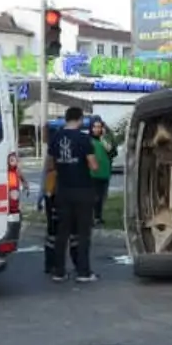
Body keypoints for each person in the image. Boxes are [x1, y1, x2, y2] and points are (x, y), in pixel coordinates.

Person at [45, 107, 98, 283]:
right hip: (83, 190)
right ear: (80, 119)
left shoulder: (56, 138)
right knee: (83, 233)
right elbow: (93, 166)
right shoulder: (84, 139)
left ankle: (59, 271)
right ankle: (83, 272)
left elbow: (50, 165)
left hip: (63, 191)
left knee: (62, 233)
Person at [89, 116, 115, 227]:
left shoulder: (106, 139)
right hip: (92, 173)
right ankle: (91, 218)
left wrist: (103, 138)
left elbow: (111, 151)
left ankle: (98, 217)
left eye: (99, 127)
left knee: (101, 197)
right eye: (95, 127)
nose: (97, 129)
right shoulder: (88, 140)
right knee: (93, 197)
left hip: (104, 173)